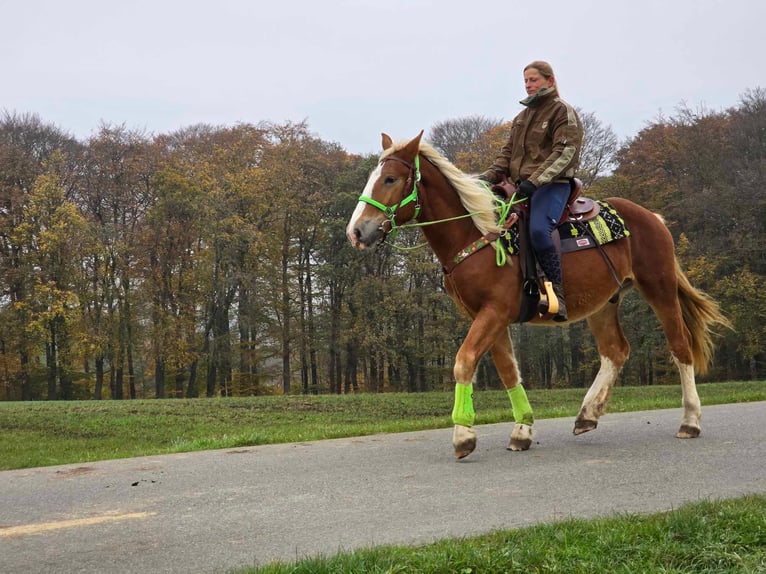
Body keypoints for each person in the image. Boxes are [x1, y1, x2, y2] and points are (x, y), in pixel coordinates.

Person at [479, 60, 583, 322]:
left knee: (538, 230)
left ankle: (557, 293)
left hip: (553, 185)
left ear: (550, 80)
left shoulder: (562, 111)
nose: (528, 85)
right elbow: (506, 155)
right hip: (522, 187)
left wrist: (535, 181)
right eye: (525, 81)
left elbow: (565, 153)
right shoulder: (521, 118)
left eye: (534, 80)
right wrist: (485, 178)